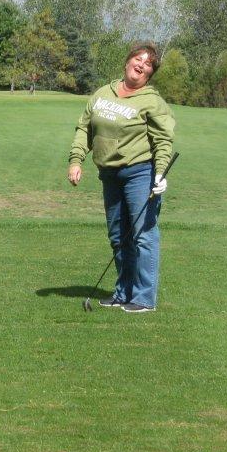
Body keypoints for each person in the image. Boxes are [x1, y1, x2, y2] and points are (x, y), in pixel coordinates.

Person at [67, 43, 175, 312]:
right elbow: (84, 128)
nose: (141, 64)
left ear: (150, 73)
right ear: (127, 62)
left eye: (148, 63)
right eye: (138, 59)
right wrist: (76, 159)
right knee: (118, 236)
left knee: (143, 235)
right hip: (109, 174)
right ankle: (122, 292)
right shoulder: (103, 93)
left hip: (140, 172)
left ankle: (143, 298)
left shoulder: (151, 101)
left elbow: (163, 141)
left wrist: (159, 173)